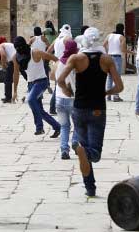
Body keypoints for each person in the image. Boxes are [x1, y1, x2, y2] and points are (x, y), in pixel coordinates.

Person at [57, 27, 123, 197]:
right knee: (94, 154)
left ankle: (90, 187)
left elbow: (60, 79)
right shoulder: (106, 60)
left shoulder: (76, 58)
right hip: (97, 109)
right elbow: (120, 86)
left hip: (79, 108)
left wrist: (67, 91)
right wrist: (107, 93)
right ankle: (83, 152)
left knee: (84, 151)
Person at [12, 36, 61, 137]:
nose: (18, 49)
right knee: (40, 110)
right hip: (31, 84)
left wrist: (59, 68)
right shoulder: (16, 57)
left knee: (30, 100)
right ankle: (57, 126)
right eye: (16, 48)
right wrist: (15, 91)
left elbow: (54, 58)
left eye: (19, 47)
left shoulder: (35, 52)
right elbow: (16, 73)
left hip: (41, 82)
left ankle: (39, 127)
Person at [55, 40, 79, 160]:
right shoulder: (75, 63)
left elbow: (52, 76)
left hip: (59, 98)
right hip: (73, 98)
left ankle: (64, 149)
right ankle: (75, 142)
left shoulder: (59, 62)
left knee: (64, 126)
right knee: (78, 124)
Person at [103, 23, 127, 102]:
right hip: (117, 58)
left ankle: (108, 96)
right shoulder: (122, 37)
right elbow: (123, 50)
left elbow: (104, 45)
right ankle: (116, 96)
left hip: (109, 57)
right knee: (117, 77)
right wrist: (132, 53)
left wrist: (107, 52)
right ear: (122, 29)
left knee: (109, 77)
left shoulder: (109, 35)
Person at [0, 37, 17, 104]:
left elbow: (3, 55)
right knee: (26, 75)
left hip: (13, 61)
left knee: (7, 80)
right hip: (18, 58)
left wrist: (3, 66)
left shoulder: (0, 46)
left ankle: (8, 98)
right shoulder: (9, 44)